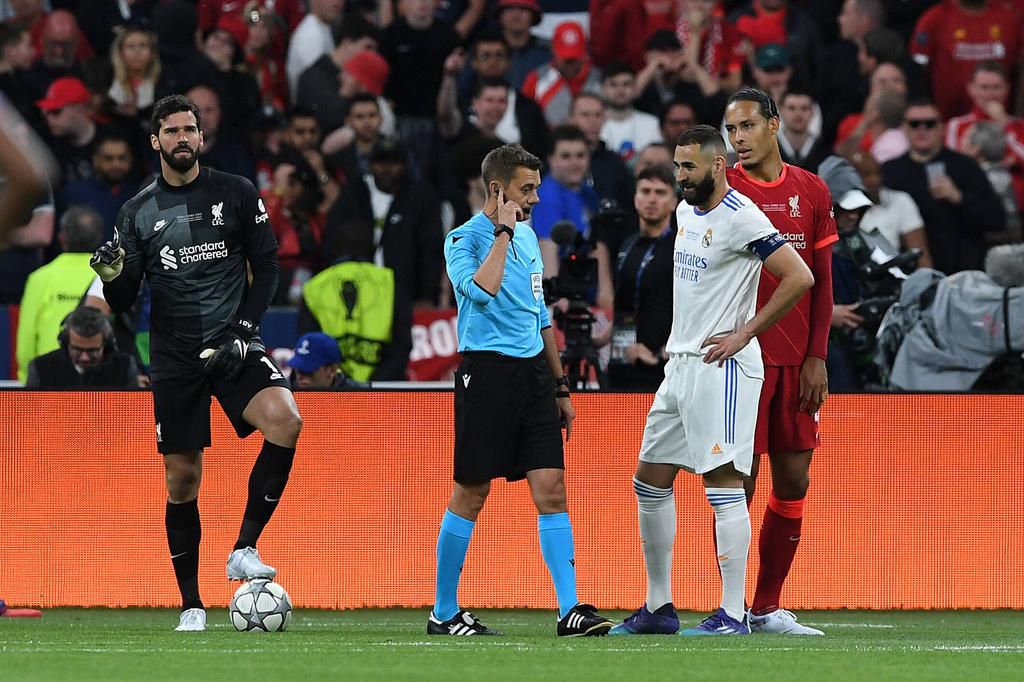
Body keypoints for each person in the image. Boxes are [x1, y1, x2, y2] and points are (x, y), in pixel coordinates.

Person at [88, 94, 302, 633]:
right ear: (155, 140)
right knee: (182, 480)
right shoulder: (137, 212)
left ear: (201, 137)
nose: (183, 138)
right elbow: (123, 300)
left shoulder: (236, 191)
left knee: (287, 419)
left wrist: (246, 330)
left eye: (191, 129)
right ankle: (191, 605)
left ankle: (244, 549)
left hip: (233, 341)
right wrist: (114, 276)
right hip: (176, 355)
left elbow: (268, 263)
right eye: (172, 131)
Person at [610, 125, 813, 636]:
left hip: (723, 368)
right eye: (677, 166)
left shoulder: (742, 216)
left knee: (723, 486)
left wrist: (746, 333)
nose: (681, 177)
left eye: (688, 167)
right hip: (679, 366)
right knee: (648, 482)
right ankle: (659, 607)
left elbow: (800, 276)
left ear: (718, 165)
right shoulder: (684, 212)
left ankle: (733, 611)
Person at [430, 143, 612, 637]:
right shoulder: (462, 240)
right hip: (485, 374)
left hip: (533, 375)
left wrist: (560, 387)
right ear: (498, 189)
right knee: (472, 491)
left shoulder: (529, 238)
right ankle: (443, 611)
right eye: (526, 189)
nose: (533, 198)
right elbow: (483, 288)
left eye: (535, 187)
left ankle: (569, 609)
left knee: (552, 489)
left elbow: (540, 320)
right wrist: (504, 233)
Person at [724, 87, 838, 635]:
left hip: (797, 362)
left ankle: (766, 606)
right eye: (730, 131)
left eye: (746, 126)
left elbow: (823, 283)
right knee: (737, 486)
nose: (738, 139)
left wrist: (817, 355)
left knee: (793, 481)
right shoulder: (723, 191)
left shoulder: (811, 190)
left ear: (773, 125)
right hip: (742, 360)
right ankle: (730, 604)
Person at [882, 98, 1005, 274]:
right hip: (909, 274)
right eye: (915, 124)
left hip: (963, 272)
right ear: (904, 129)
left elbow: (996, 219)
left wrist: (958, 197)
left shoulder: (965, 166)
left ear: (941, 128)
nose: (922, 129)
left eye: (929, 124)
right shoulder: (890, 171)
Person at [606, 164, 676, 390]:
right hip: (622, 361)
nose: (652, 199)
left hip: (660, 368)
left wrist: (666, 349)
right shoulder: (627, 244)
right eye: (645, 192)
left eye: (661, 193)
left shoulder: (680, 248)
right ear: (635, 198)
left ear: (674, 202)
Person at [15, 205, 103, 382]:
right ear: (100, 238)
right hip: (100, 383)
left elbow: (25, 343)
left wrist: (29, 380)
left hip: (48, 380)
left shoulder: (40, 278)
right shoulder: (107, 277)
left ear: (62, 238)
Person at [25, 305, 140, 388]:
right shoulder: (41, 368)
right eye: (77, 350)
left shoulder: (125, 367)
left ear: (106, 343)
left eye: (93, 351)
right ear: (65, 342)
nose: (84, 358)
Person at [288, 331, 366, 389]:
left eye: (308, 370)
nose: (299, 376)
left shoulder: (357, 398)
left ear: (332, 370)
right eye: (298, 369)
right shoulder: (283, 396)